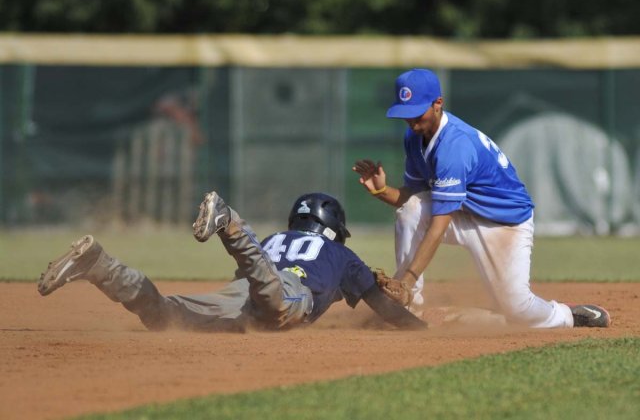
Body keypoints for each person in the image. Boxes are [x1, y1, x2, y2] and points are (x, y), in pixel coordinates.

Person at [352, 68, 610, 328]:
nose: (410, 120)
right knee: (410, 210)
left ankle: (566, 315)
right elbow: (413, 199)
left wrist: (406, 279)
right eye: (405, 112)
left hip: (503, 223)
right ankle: (407, 307)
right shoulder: (415, 136)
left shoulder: (455, 147)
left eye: (416, 111)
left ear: (438, 103)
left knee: (517, 308)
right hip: (464, 212)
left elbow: (438, 225)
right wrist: (382, 190)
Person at [38, 191, 425, 332]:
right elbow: (383, 306)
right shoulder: (341, 253)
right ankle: (231, 223)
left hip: (243, 294)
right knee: (276, 306)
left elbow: (254, 279)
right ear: (332, 228)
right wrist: (419, 329)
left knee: (163, 317)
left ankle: (99, 264)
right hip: (285, 294)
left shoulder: (277, 239)